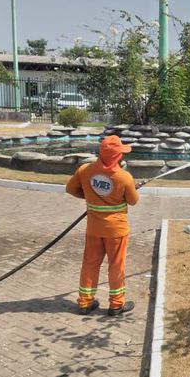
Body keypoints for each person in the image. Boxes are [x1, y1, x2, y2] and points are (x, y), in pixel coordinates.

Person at [66, 135, 139, 316]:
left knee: (90, 264)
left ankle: (85, 303)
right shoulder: (124, 177)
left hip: (94, 228)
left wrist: (89, 197)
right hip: (117, 231)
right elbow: (133, 200)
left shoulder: (85, 170)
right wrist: (132, 188)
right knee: (116, 266)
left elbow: (71, 189)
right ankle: (116, 305)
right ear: (117, 157)